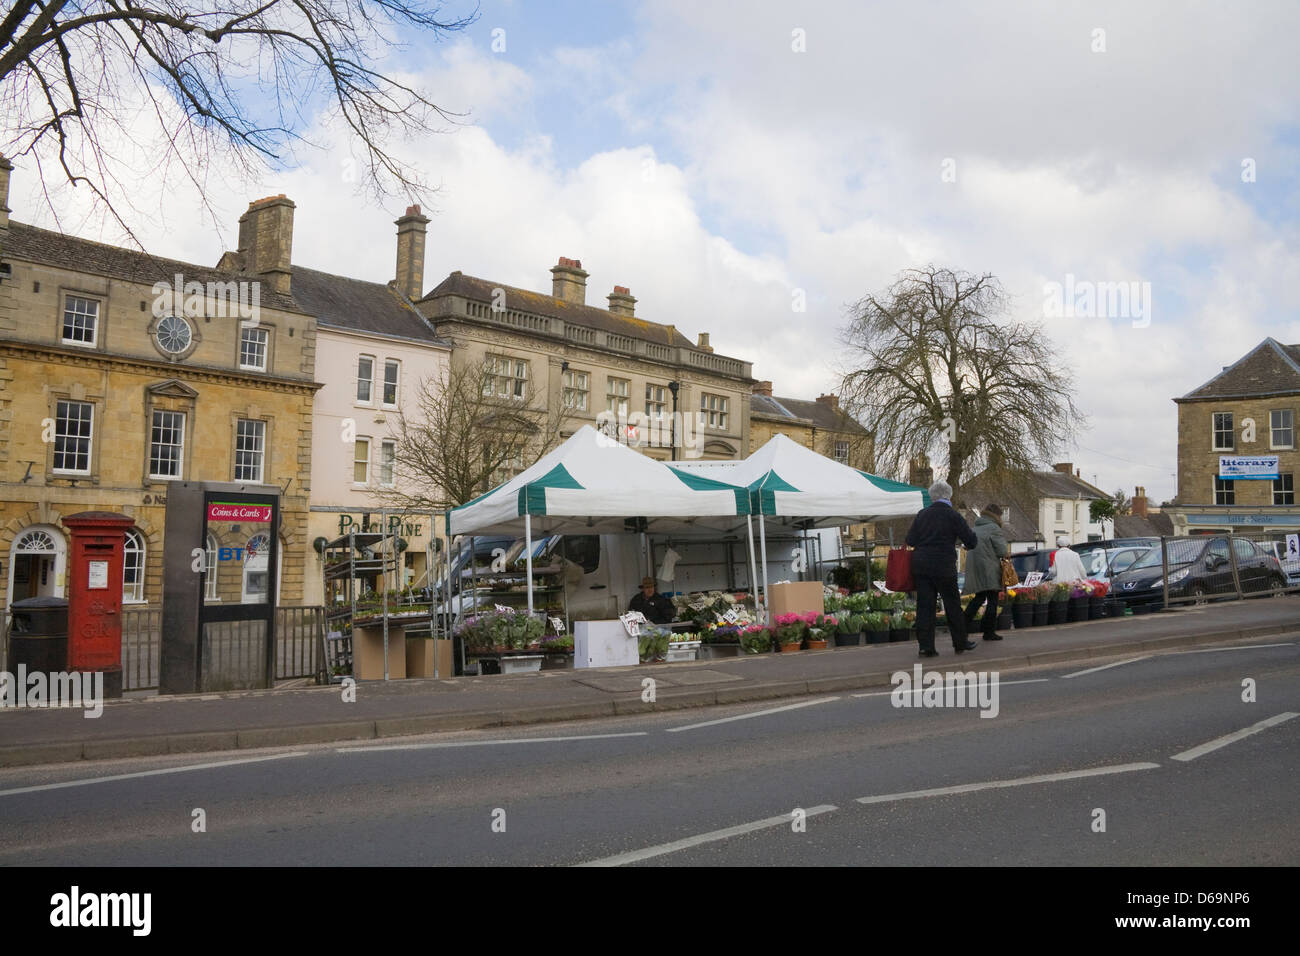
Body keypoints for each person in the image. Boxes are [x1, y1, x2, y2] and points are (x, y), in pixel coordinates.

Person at [905, 480, 979, 657]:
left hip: (921, 566)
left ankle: (926, 647)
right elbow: (971, 541)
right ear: (949, 495)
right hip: (944, 566)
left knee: (925, 606)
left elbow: (911, 540)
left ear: (932, 496)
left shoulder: (922, 514)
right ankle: (960, 643)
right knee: (952, 604)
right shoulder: (953, 515)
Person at [963, 504, 1009, 642]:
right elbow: (1001, 551)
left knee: (979, 598)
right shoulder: (994, 528)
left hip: (975, 567)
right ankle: (989, 632)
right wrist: (1007, 554)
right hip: (989, 568)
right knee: (993, 600)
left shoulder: (974, 528)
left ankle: (962, 628)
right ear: (996, 515)